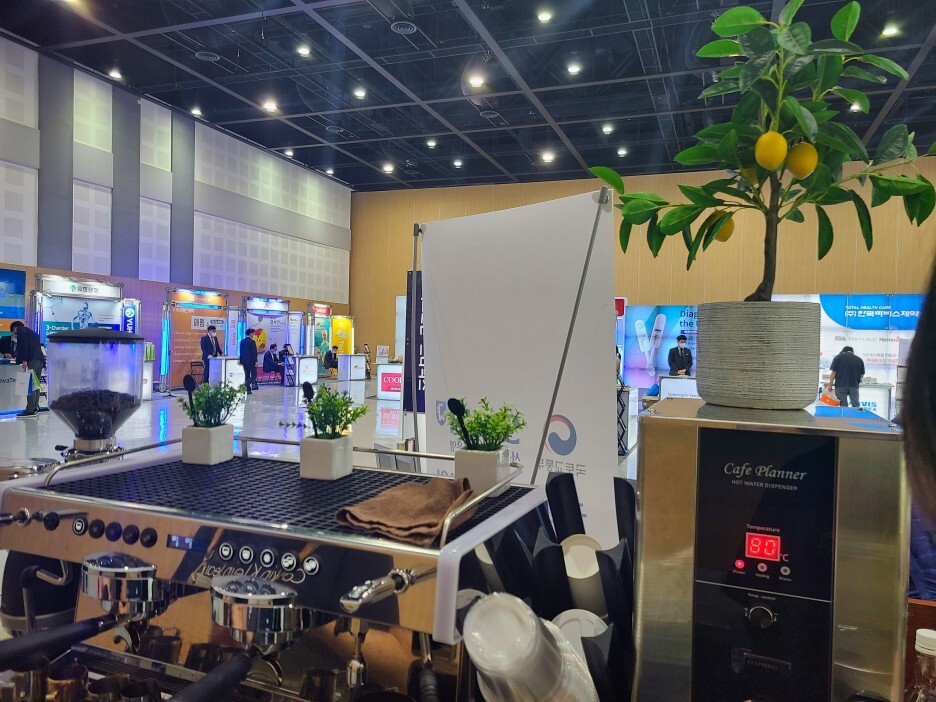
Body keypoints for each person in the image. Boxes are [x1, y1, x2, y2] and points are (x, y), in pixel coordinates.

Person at [11, 321, 43, 418]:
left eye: (13, 330)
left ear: (15, 328)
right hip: (39, 360)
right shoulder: (33, 333)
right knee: (36, 385)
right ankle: (35, 408)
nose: (14, 333)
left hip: (31, 360)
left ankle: (30, 410)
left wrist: (23, 360)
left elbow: (23, 346)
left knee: (30, 386)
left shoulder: (21, 330)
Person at [239, 328, 259, 394]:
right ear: (250, 333)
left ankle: (248, 390)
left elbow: (241, 351)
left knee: (247, 375)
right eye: (253, 333)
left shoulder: (242, 341)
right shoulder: (252, 342)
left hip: (244, 361)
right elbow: (254, 352)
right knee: (254, 375)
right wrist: (256, 361)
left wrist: (241, 360)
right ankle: (246, 384)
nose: (254, 335)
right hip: (251, 361)